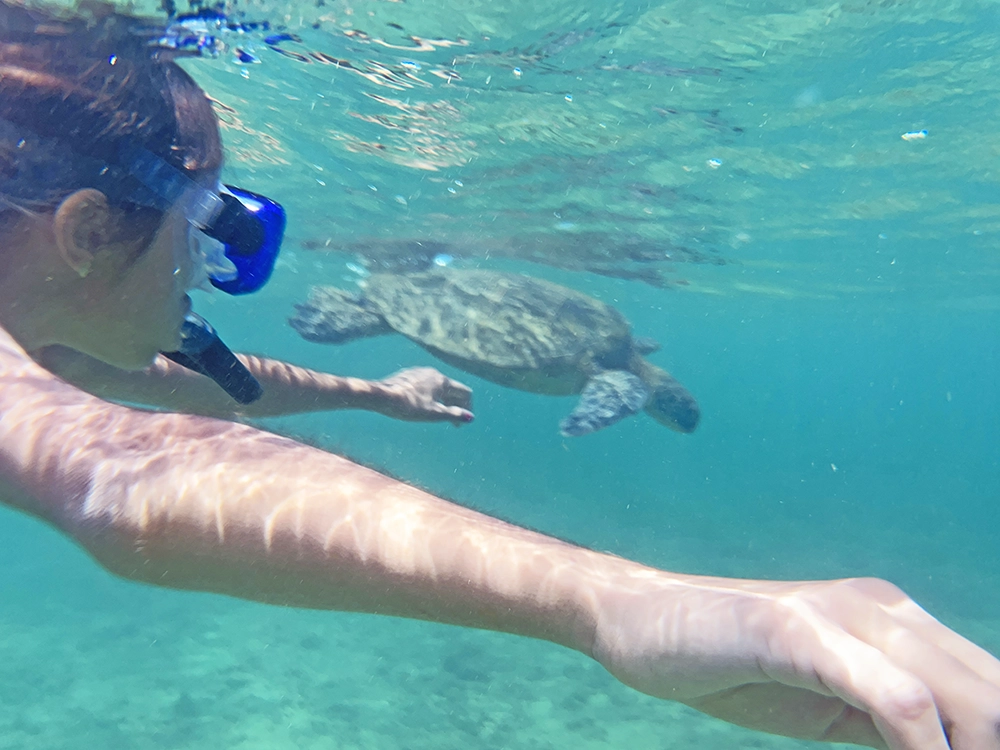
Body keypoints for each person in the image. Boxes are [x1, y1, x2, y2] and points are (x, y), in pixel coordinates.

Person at [0, 3, 997, 749]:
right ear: (88, 230)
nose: (207, 277)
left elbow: (167, 389)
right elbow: (116, 467)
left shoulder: (47, 331)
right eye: (206, 235)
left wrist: (378, 395)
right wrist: (616, 602)